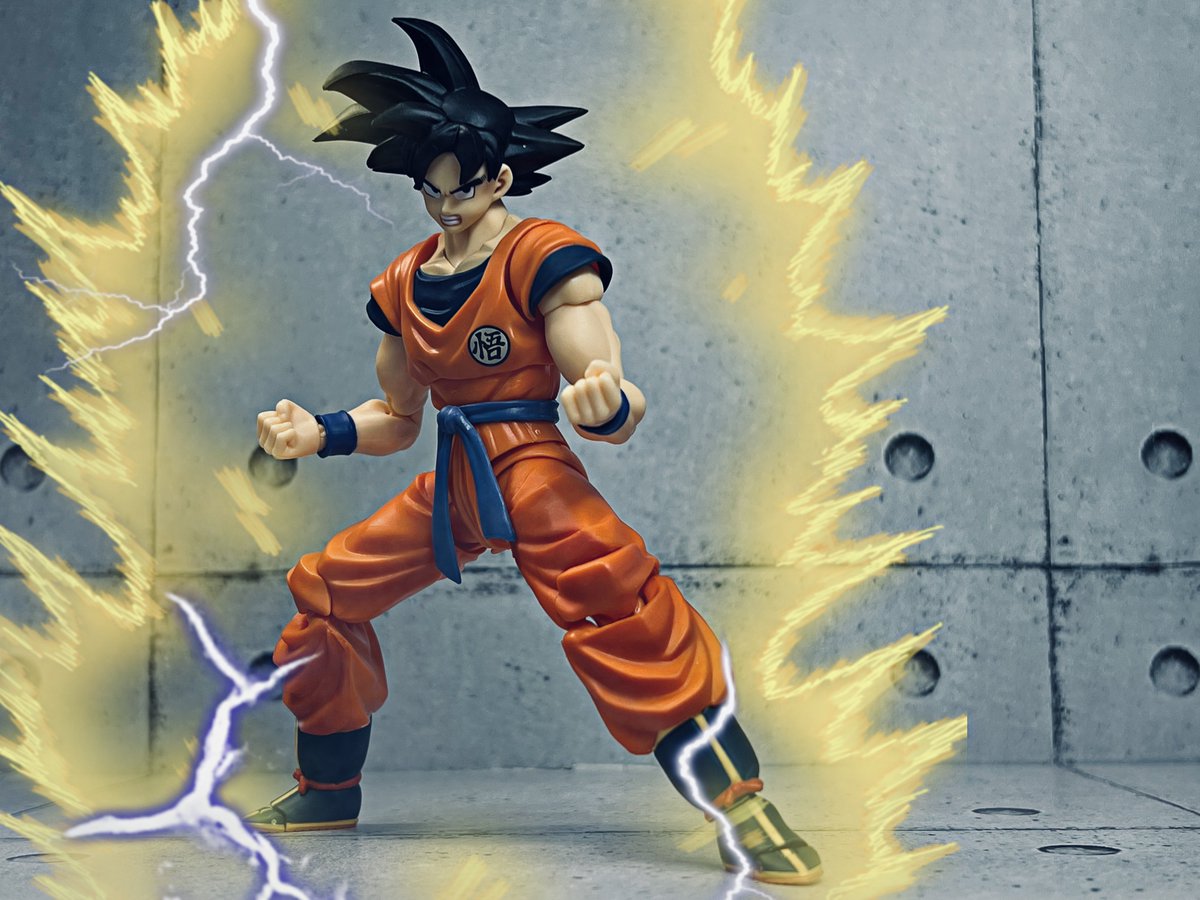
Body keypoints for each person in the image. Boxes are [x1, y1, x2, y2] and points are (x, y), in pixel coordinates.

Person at [247, 17, 821, 886]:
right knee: (325, 595)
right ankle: (327, 790)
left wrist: (607, 402)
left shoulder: (542, 258)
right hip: (455, 476)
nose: (447, 204)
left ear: (499, 177)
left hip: (532, 465)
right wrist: (319, 433)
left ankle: (741, 806)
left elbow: (607, 384)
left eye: (463, 186)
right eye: (431, 188)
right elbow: (397, 417)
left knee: (626, 608)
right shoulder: (402, 284)